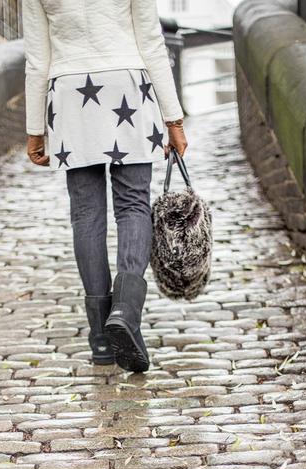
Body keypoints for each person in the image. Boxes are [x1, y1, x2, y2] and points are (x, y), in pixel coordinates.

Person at [23, 0, 188, 373]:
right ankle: (126, 311)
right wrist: (173, 118)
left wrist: (36, 129)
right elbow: (151, 41)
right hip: (126, 86)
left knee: (86, 214)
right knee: (133, 205)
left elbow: (37, 59)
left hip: (68, 93)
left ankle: (100, 337)